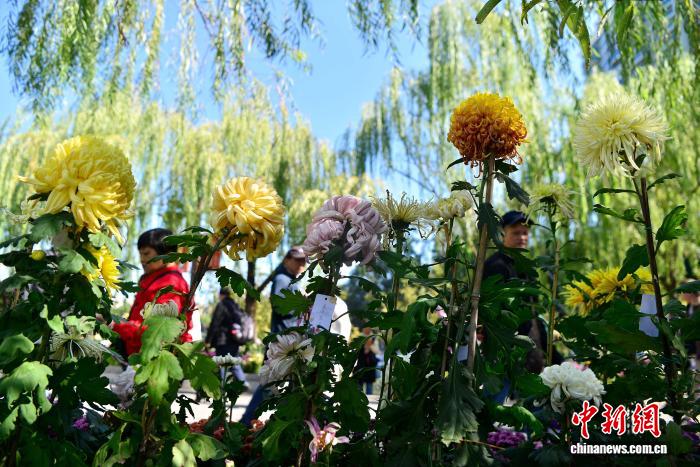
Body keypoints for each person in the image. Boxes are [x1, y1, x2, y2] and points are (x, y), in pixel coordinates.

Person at [483, 211, 562, 376]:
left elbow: (535, 316)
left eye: (525, 233)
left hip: (531, 357)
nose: (522, 237)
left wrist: (556, 358)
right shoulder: (495, 266)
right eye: (516, 233)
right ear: (503, 234)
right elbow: (491, 313)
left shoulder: (527, 268)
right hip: (505, 356)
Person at [240, 246, 307, 426]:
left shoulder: (291, 280)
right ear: (286, 260)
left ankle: (282, 424)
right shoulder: (281, 279)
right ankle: (245, 423)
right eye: (297, 260)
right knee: (268, 385)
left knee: (286, 386)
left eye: (303, 261)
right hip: (280, 344)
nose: (301, 265)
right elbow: (279, 306)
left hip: (289, 343)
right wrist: (302, 304)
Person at [112, 228, 193, 357]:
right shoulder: (153, 277)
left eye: (146, 253)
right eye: (140, 254)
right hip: (139, 352)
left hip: (153, 356)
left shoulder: (170, 283)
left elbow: (157, 332)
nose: (142, 259)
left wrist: (116, 325)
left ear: (167, 254)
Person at [206, 287, 247, 383]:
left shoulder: (222, 305)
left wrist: (208, 340)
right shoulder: (235, 305)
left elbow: (215, 323)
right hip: (235, 339)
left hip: (223, 340)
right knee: (234, 362)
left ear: (221, 295)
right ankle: (243, 383)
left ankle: (222, 385)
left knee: (222, 363)